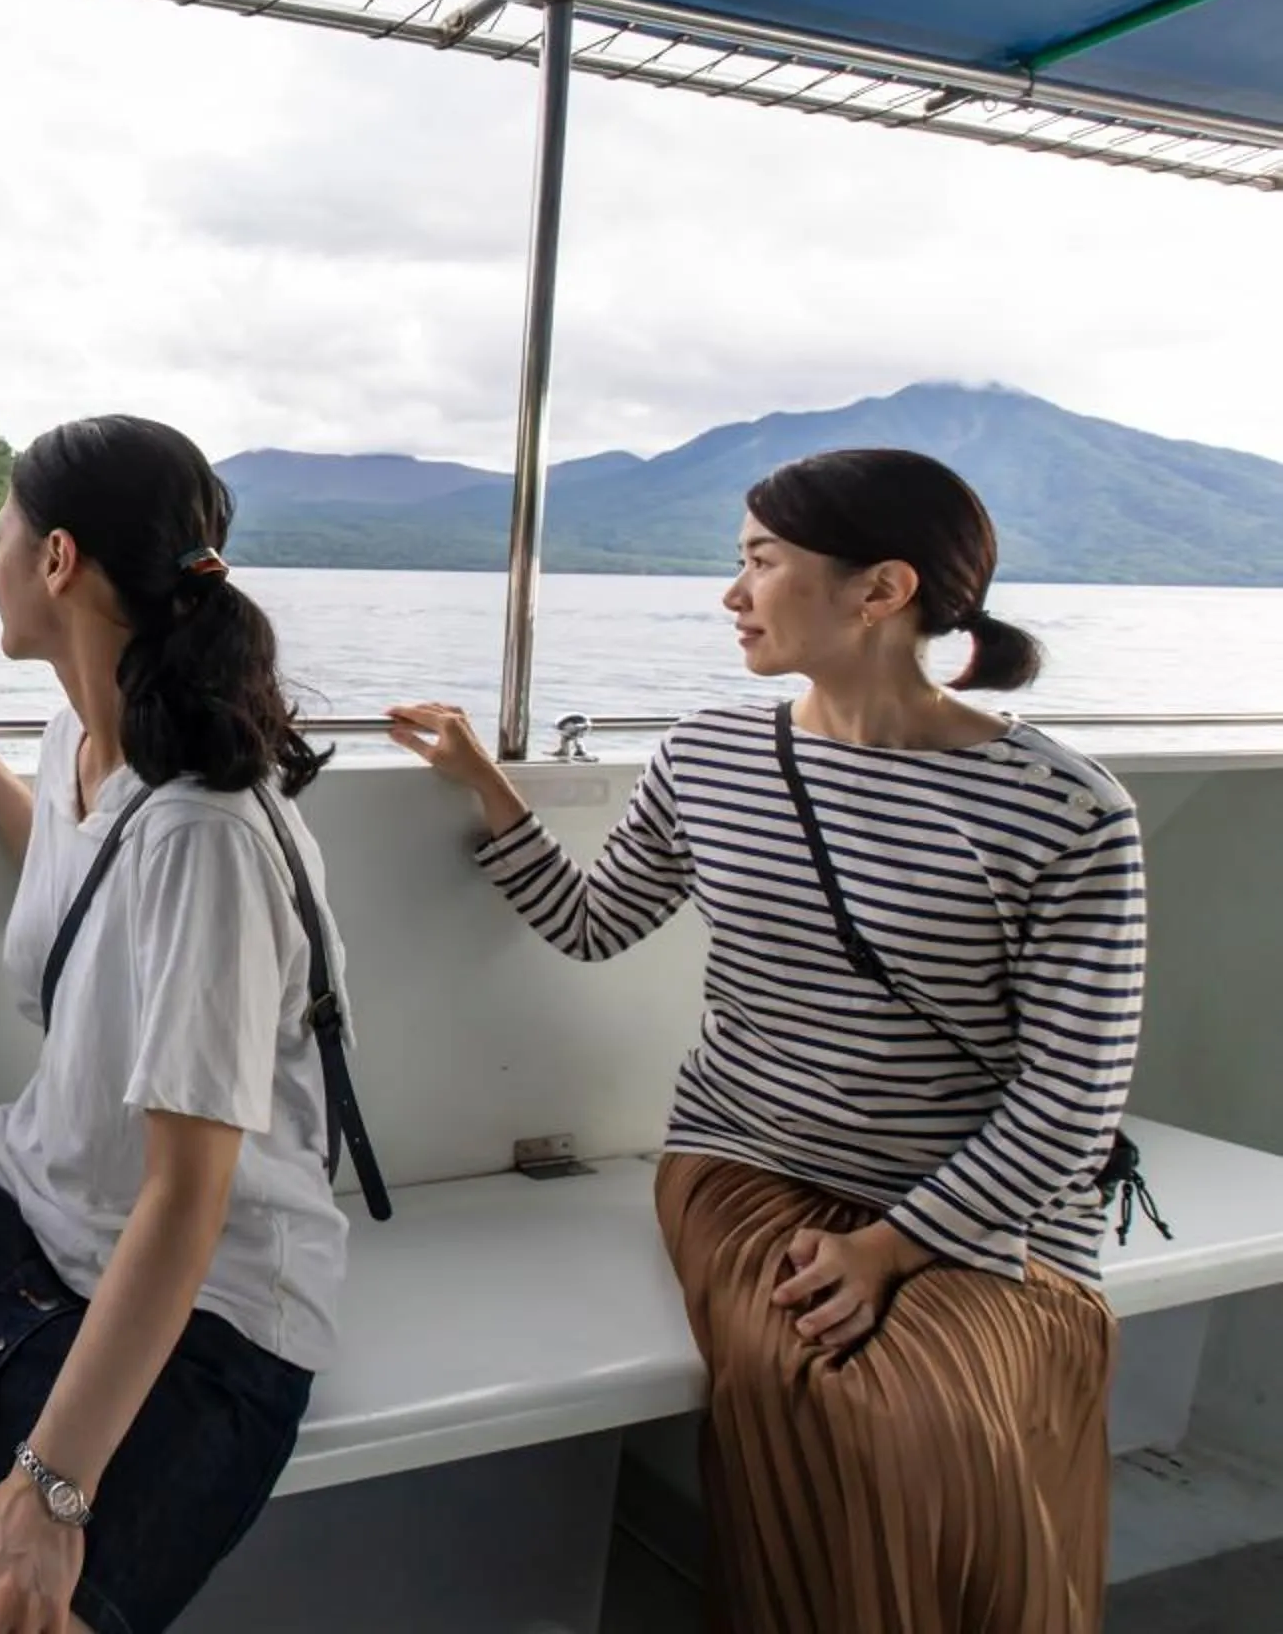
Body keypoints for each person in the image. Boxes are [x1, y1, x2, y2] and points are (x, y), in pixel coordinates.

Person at [389, 447, 1145, 1634]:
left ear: (880, 589)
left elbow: (1073, 1104)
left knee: (969, 1427)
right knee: (867, 1416)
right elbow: (595, 924)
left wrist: (893, 1247)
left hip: (984, 1209)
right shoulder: (711, 756)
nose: (731, 592)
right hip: (749, 1167)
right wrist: (487, 781)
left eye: (760, 560)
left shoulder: (1068, 810)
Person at [0, 414, 354, 1634]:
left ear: (55, 561)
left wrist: (52, 1493)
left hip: (208, 1285)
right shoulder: (76, 740)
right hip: (42, 1202)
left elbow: (189, 1196)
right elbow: (73, 866)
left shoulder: (207, 834)